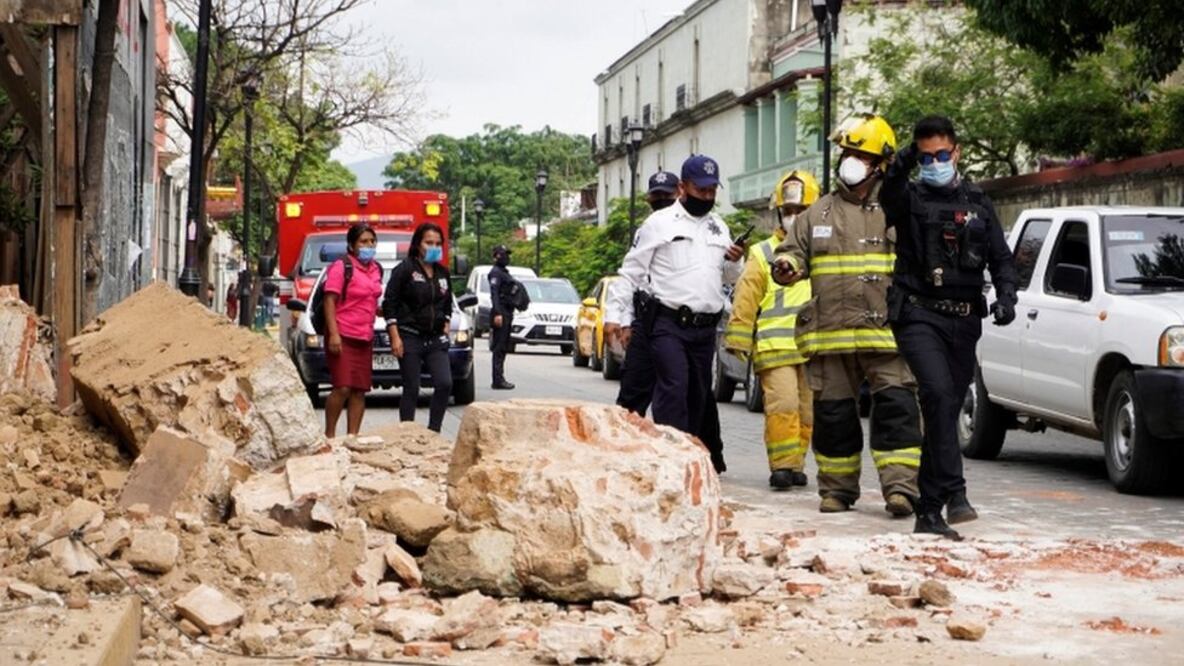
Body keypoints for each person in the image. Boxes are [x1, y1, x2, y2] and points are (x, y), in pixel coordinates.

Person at [771, 114, 922, 517]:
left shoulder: (899, 211)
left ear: (881, 164)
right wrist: (786, 266)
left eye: (859, 154)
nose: (848, 161)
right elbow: (790, 253)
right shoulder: (815, 215)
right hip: (831, 336)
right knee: (834, 418)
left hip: (886, 336)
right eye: (846, 153)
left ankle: (901, 490)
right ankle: (837, 491)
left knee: (897, 412)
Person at [880, 115, 1019, 539]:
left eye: (942, 155)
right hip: (919, 315)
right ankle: (934, 507)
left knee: (947, 408)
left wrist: (1008, 297)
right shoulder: (910, 197)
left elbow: (1001, 256)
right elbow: (887, 194)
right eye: (927, 157)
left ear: (956, 153)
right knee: (937, 395)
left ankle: (949, 497)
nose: (936, 163)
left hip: (965, 319)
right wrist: (904, 159)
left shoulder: (977, 200)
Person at [605, 154, 745, 451]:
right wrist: (615, 315)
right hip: (668, 322)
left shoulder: (718, 226)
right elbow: (631, 272)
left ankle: (690, 452)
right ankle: (670, 453)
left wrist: (735, 261)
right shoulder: (659, 223)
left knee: (697, 395)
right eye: (700, 190)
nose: (706, 197)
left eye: (711, 191)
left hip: (705, 328)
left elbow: (729, 278)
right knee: (674, 386)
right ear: (682, 187)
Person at [724, 170, 819, 490]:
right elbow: (746, 295)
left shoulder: (823, 251)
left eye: (801, 210)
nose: (794, 217)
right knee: (784, 406)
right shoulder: (763, 253)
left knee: (806, 412)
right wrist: (738, 337)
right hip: (775, 346)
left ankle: (796, 464)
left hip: (812, 347)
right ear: (779, 212)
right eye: (789, 211)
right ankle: (781, 466)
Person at [382, 223, 454, 433]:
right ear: (418, 244)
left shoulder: (442, 272)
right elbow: (390, 304)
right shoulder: (405, 269)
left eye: (438, 244)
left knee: (444, 383)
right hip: (409, 336)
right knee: (412, 387)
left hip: (435, 338)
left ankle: (434, 432)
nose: (434, 247)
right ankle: (407, 433)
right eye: (429, 243)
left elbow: (447, 302)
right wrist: (395, 336)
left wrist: (446, 325)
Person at [322, 223, 384, 438]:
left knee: (359, 389)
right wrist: (334, 334)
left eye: (372, 241)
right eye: (363, 242)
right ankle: (329, 435)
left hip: (364, 336)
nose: (369, 246)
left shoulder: (376, 269)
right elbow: (330, 300)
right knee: (342, 387)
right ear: (351, 245)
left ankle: (352, 437)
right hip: (342, 334)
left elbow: (369, 299)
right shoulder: (342, 266)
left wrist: (380, 310)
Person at [487, 244, 518, 390]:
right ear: (496, 256)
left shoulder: (503, 272)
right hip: (501, 313)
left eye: (507, 254)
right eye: (503, 254)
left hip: (507, 312)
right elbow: (494, 294)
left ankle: (499, 377)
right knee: (499, 347)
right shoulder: (495, 273)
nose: (506, 257)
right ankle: (497, 379)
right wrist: (498, 313)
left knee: (504, 345)